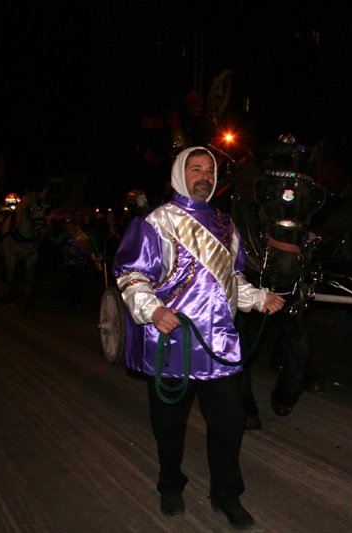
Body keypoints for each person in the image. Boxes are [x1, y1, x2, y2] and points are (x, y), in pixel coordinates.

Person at [113, 147, 285, 528]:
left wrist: (259, 299)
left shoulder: (226, 225)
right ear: (180, 173)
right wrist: (153, 310)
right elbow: (132, 275)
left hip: (219, 345)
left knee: (230, 422)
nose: (204, 176)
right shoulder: (157, 221)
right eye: (196, 169)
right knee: (168, 425)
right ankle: (170, 485)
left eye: (209, 170)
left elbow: (232, 281)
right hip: (172, 344)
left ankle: (226, 495)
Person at [51, 209, 100, 309]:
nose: (79, 217)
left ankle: (77, 299)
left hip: (83, 259)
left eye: (80, 215)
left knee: (80, 280)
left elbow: (94, 243)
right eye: (77, 215)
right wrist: (47, 236)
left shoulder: (88, 230)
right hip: (71, 259)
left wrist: (97, 255)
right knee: (74, 279)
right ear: (73, 217)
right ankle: (75, 300)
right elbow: (58, 241)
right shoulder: (67, 229)